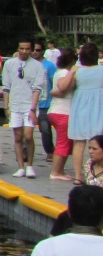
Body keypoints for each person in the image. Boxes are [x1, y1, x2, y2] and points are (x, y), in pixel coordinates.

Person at [3, 39, 46, 179]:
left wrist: (33, 109)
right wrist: (6, 106)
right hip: (15, 104)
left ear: (31, 50)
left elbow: (37, 89)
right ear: (18, 48)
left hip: (29, 105)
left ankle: (30, 166)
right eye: (22, 48)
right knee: (18, 136)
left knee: (28, 135)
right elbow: (6, 87)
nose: (24, 51)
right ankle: (20, 166)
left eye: (27, 49)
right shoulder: (9, 64)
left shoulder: (38, 66)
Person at [66, 42, 103, 187]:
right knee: (100, 142)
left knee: (79, 143)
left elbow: (65, 87)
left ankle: (78, 176)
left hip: (81, 107)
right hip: (99, 107)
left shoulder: (78, 72)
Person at [48, 49, 78, 183]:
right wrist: (73, 72)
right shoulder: (65, 72)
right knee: (63, 143)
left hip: (59, 111)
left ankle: (60, 170)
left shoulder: (58, 72)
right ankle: (55, 172)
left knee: (65, 142)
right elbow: (62, 87)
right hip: (62, 112)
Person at [34, 41, 58, 165]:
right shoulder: (28, 65)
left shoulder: (49, 66)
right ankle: (25, 151)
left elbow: (54, 82)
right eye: (34, 50)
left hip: (44, 103)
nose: (35, 52)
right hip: (29, 101)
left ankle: (50, 151)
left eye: (38, 50)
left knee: (45, 129)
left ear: (43, 51)